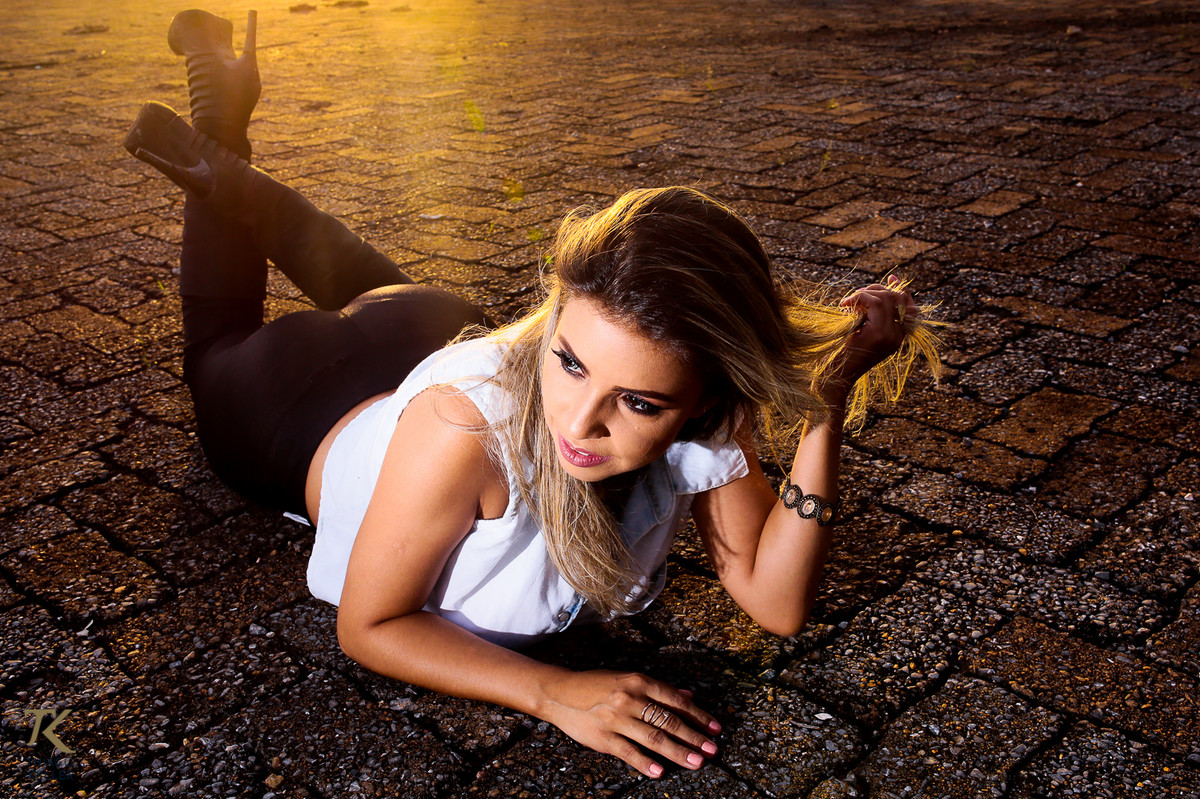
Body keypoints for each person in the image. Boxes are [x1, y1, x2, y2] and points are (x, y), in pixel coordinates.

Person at [124, 9, 941, 779]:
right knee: (215, 347)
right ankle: (221, 123)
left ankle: (236, 176)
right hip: (297, 402)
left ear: (700, 399)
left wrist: (828, 402)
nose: (579, 424)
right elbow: (369, 625)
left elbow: (776, 602)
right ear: (554, 318)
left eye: (641, 403)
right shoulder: (463, 424)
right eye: (573, 361)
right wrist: (551, 693)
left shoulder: (709, 418)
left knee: (383, 292)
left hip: (432, 327)